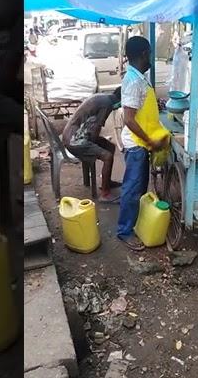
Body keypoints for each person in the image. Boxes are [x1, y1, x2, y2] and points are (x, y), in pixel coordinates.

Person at [117, 36, 168, 251]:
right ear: (144, 54)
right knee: (132, 188)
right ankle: (124, 231)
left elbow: (140, 109)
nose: (151, 58)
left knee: (138, 186)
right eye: (149, 53)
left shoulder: (139, 77)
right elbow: (128, 119)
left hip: (141, 143)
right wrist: (149, 141)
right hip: (137, 144)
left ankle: (133, 223)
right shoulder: (133, 81)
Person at [62, 88, 123, 203]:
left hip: (73, 135)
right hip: (75, 140)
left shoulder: (104, 97)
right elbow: (96, 129)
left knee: (111, 147)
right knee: (107, 156)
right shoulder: (107, 105)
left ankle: (107, 182)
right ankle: (105, 194)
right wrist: (96, 146)